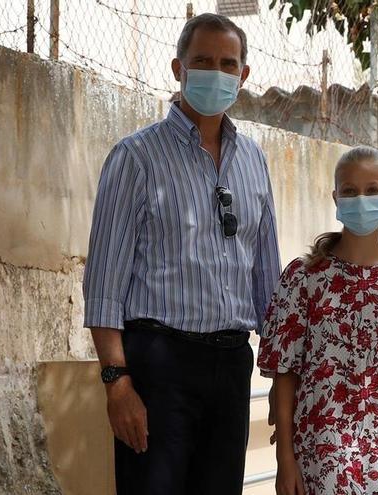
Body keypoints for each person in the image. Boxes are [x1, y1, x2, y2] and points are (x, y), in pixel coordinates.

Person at [82, 13, 281, 495]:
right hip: (158, 365)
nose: (216, 71)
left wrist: (279, 378)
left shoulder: (254, 160)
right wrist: (118, 382)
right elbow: (105, 282)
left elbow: (268, 281)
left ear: (244, 75)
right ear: (178, 68)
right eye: (202, 61)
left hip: (232, 363)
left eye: (227, 63)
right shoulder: (136, 157)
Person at [258, 146, 378, 495]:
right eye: (350, 191)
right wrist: (285, 459)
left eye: (372, 190)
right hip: (319, 460)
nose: (361, 199)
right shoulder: (304, 278)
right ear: (335, 197)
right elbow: (284, 374)